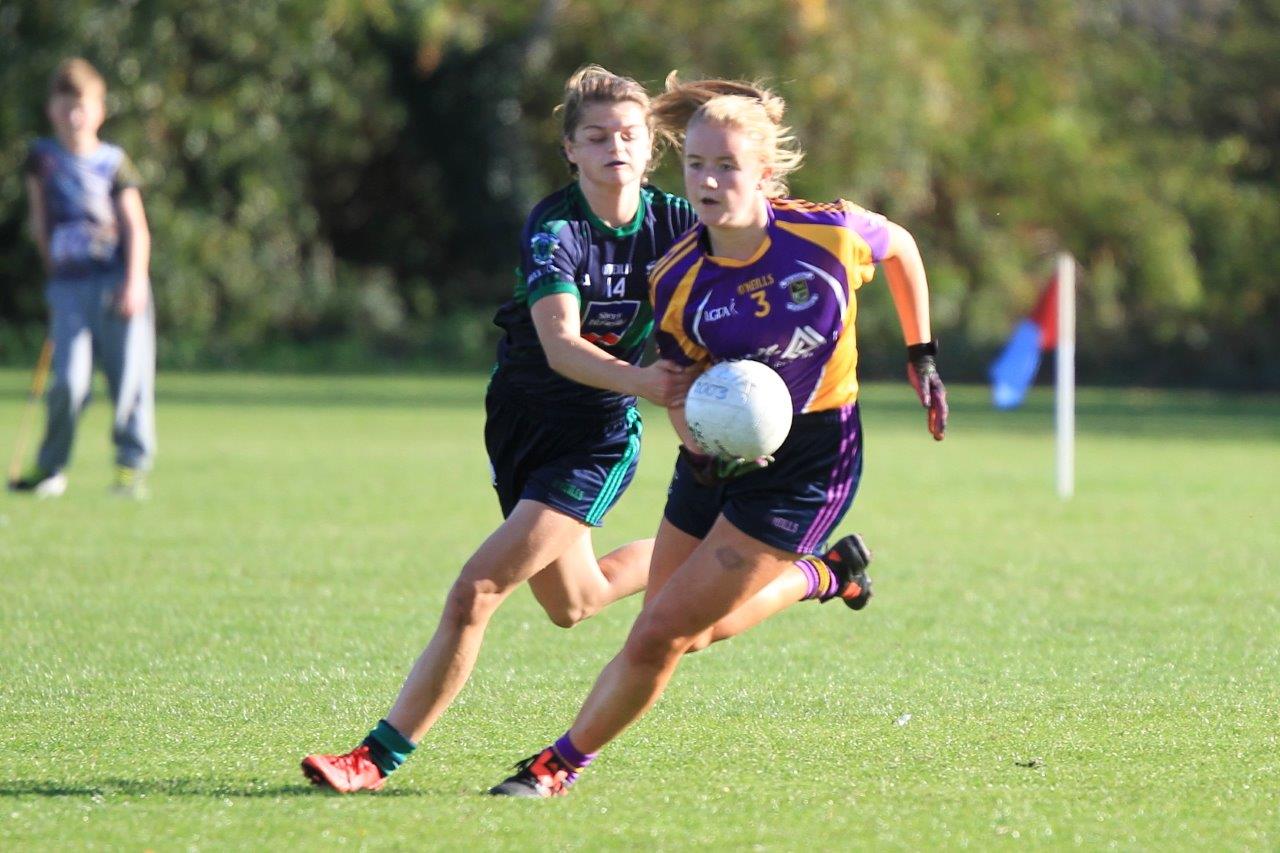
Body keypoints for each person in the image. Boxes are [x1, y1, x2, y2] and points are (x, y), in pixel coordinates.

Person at [301, 66, 874, 795]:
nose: (616, 148)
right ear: (569, 149)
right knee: (575, 601)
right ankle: (819, 571)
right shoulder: (558, 228)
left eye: (630, 135)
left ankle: (375, 758)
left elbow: (771, 238)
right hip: (521, 424)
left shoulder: (684, 221)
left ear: (650, 146)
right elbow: (558, 343)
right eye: (597, 137)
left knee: (476, 589)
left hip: (596, 436)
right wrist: (643, 378)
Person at [489, 74, 948, 797]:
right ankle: (823, 574)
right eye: (696, 164)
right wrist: (699, 443)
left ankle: (557, 764)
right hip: (713, 450)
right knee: (674, 629)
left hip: (811, 460)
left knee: (659, 636)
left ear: (763, 173)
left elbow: (903, 249)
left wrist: (921, 355)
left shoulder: (825, 233)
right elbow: (677, 382)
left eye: (726, 165)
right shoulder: (676, 277)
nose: (706, 180)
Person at [9, 58, 155, 499]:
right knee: (68, 381)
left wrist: (134, 281)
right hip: (69, 287)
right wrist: (53, 275)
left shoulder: (113, 162)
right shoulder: (42, 160)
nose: (75, 116)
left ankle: (131, 467)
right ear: (52, 109)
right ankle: (51, 468)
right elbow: (40, 222)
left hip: (116, 283)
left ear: (100, 110)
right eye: (66, 105)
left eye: (83, 106)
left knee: (128, 378)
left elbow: (136, 228)